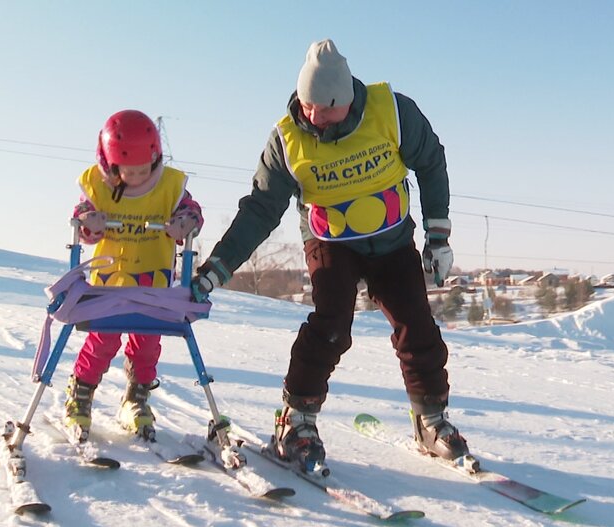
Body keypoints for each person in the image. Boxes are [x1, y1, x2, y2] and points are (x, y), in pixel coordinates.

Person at [190, 39, 467, 474]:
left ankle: (431, 420)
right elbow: (261, 209)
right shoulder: (286, 139)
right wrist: (216, 269)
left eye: (327, 109)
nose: (315, 118)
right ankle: (296, 420)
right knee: (332, 325)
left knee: (416, 325)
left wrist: (438, 234)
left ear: (350, 99)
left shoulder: (392, 112)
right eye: (308, 107)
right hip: (331, 242)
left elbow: (431, 162)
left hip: (392, 239)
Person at [62, 110, 204, 442]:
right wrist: (90, 222)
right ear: (111, 166)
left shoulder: (169, 186)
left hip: (154, 283)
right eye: (129, 172)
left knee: (147, 342)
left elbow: (192, 210)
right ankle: (81, 394)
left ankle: (137, 396)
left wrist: (186, 221)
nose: (138, 178)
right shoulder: (97, 186)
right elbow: (81, 215)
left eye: (145, 170)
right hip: (109, 283)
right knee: (103, 339)